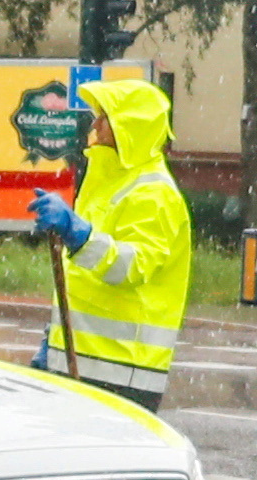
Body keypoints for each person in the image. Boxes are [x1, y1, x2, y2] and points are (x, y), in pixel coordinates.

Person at [24, 70, 194, 412]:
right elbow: (82, 278)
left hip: (122, 371)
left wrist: (78, 233)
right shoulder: (108, 181)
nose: (95, 127)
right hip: (83, 362)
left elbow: (129, 267)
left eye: (105, 119)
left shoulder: (154, 193)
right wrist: (52, 340)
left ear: (128, 129)